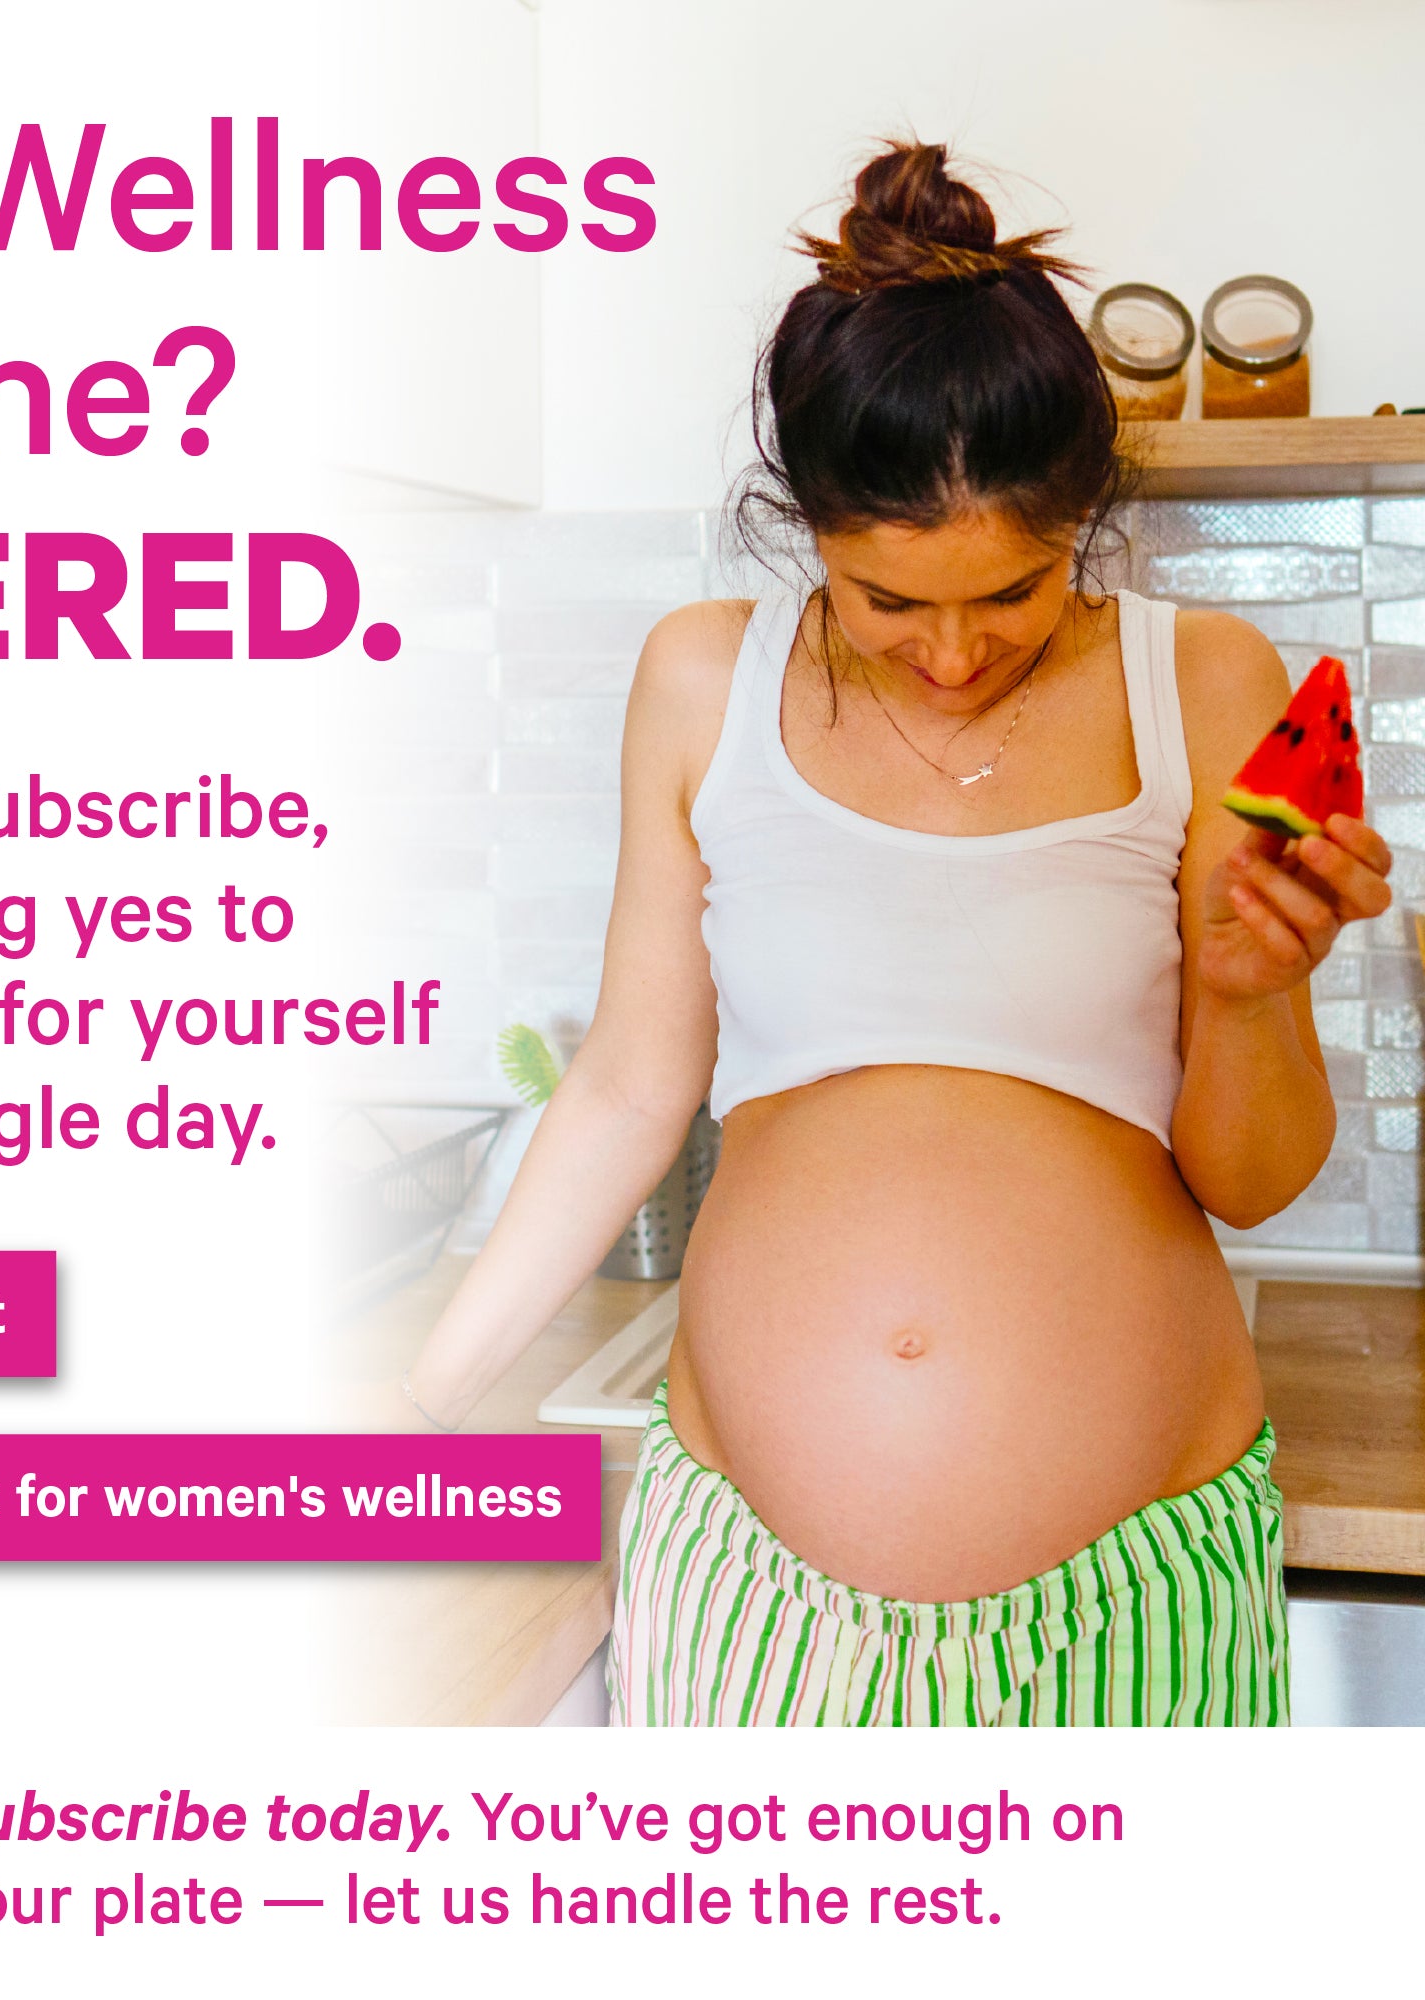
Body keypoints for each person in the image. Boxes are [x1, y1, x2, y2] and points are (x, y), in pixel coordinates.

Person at [394, 140, 1392, 1727]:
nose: (952, 656)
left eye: (1012, 594)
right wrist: (417, 1408)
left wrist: (1253, 989)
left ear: (1084, 514)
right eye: (887, 601)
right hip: (750, 1591)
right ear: (805, 523)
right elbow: (631, 1088)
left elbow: (1252, 1181)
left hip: (1134, 1594)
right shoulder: (704, 679)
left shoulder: (1203, 680)